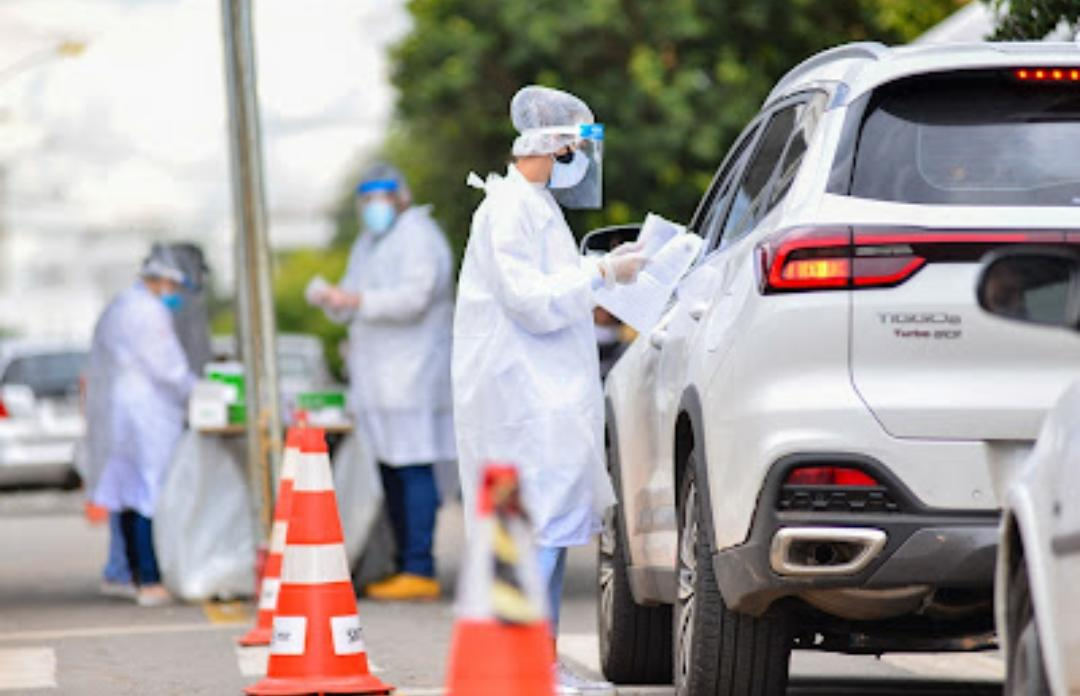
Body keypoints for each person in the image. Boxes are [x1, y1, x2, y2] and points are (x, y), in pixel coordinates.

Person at [453, 85, 645, 693]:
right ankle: (525, 675)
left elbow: (549, 289)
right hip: (523, 402)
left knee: (551, 532)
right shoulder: (508, 209)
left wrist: (609, 273)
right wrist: (601, 271)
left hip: (544, 397)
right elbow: (529, 300)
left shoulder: (535, 206)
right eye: (574, 146)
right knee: (534, 533)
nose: (580, 160)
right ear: (556, 146)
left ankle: (541, 667)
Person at [314, 164, 456, 601]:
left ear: (402, 196)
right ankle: (402, 564)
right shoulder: (369, 242)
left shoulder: (419, 236)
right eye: (367, 199)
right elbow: (353, 297)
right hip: (380, 376)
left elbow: (414, 299)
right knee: (391, 470)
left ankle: (419, 566)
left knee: (412, 467)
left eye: (382, 196)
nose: (374, 207)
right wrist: (333, 300)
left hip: (412, 375)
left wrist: (355, 300)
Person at [85, 245, 197, 607]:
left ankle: (133, 575)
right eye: (175, 288)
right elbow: (167, 368)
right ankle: (149, 579)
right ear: (165, 281)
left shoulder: (120, 305)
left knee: (131, 494)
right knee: (148, 493)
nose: (176, 296)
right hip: (146, 412)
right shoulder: (146, 312)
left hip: (123, 410)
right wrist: (199, 390)